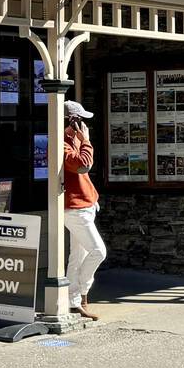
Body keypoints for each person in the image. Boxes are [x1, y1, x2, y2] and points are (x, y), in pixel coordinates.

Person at [63, 99, 106, 321]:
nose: (83, 125)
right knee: (99, 251)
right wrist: (86, 141)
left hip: (86, 203)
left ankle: (75, 302)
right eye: (80, 121)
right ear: (71, 121)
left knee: (77, 256)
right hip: (74, 208)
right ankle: (81, 292)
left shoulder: (73, 139)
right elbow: (83, 164)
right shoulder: (63, 144)